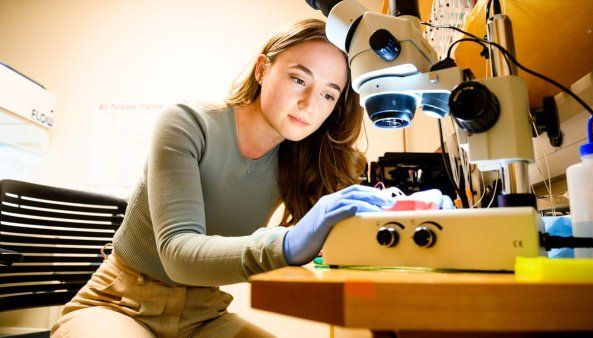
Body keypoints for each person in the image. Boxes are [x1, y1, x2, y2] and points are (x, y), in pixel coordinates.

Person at [50, 18, 394, 338]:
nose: (309, 103)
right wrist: (287, 243)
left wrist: (402, 215)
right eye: (299, 79)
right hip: (118, 304)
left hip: (203, 314)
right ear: (263, 69)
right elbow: (178, 253)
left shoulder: (301, 158)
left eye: (328, 94)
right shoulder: (186, 123)